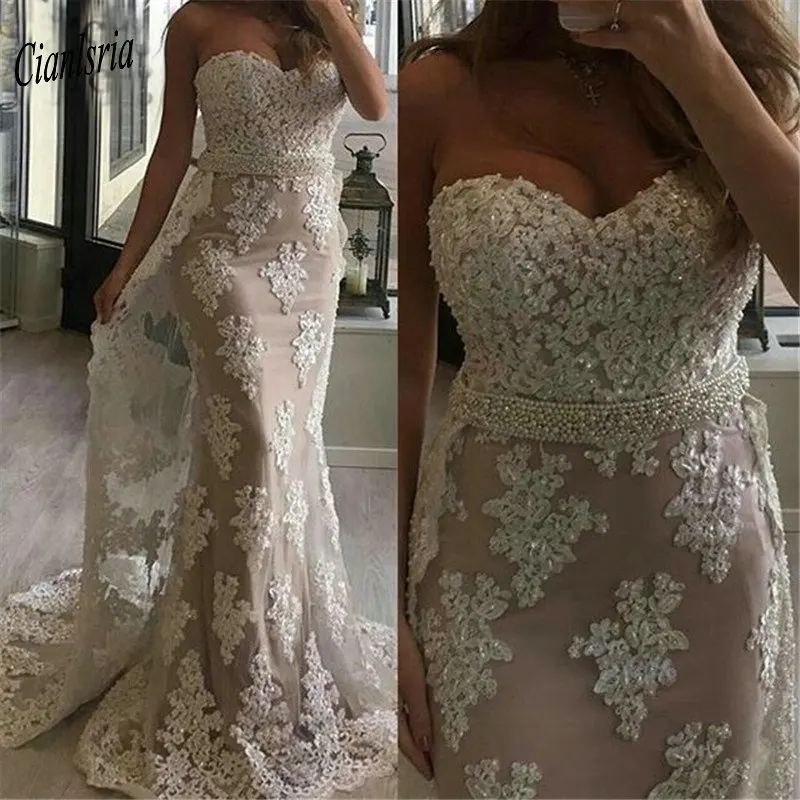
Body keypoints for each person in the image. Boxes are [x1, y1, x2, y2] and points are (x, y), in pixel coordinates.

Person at [398, 0, 799, 797]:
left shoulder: (751, 73)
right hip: (495, 582)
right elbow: (406, 374)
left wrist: (697, 60)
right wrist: (392, 619)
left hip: (707, 577)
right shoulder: (440, 89)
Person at [0, 1, 396, 797]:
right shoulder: (195, 23)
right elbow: (171, 152)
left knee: (282, 458)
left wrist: (325, 9)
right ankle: (229, 665)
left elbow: (374, 103)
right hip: (221, 257)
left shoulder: (335, 15)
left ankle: (272, 638)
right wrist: (126, 265)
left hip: (309, 259)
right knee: (249, 446)